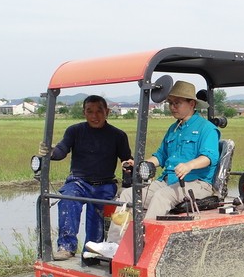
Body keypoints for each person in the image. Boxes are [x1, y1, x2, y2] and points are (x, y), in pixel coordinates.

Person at [85, 80, 219, 257]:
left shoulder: (206, 129)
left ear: (191, 104)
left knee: (162, 196)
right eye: (170, 103)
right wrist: (143, 164)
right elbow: (160, 156)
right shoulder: (174, 129)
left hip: (197, 183)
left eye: (177, 103)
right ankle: (114, 245)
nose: (172, 107)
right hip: (169, 181)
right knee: (128, 195)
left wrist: (189, 165)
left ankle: (143, 244)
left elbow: (209, 157)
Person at [37, 95, 132, 260]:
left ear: (107, 112)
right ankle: (66, 247)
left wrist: (127, 182)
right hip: (79, 182)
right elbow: (61, 150)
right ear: (84, 113)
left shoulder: (118, 135)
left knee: (98, 212)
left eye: (99, 111)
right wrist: (50, 152)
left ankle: (92, 251)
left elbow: (127, 161)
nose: (94, 116)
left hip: (105, 184)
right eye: (90, 111)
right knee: (68, 198)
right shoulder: (74, 131)